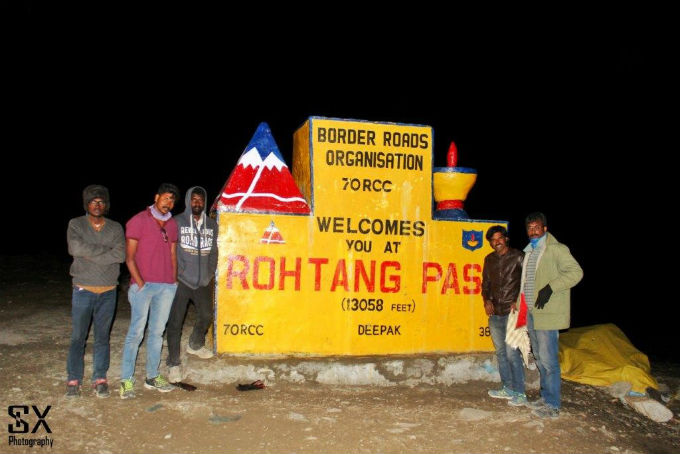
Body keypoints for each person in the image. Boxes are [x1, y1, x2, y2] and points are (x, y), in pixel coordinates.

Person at [119, 183, 180, 399]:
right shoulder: (138, 221)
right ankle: (126, 380)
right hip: (143, 286)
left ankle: (152, 376)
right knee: (136, 333)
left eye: (172, 200)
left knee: (156, 333)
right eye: (165, 198)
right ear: (156, 197)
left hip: (166, 287)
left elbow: (173, 254)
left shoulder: (172, 224)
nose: (168, 203)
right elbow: (129, 257)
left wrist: (173, 281)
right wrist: (140, 283)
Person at [520, 212, 583, 419]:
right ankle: (545, 397)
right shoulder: (529, 251)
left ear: (545, 229)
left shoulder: (557, 249)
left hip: (548, 314)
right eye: (530, 228)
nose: (533, 231)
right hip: (531, 312)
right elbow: (527, 281)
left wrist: (551, 287)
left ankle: (553, 405)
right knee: (539, 357)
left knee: (548, 360)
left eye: (537, 227)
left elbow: (576, 272)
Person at [65, 185, 125, 398]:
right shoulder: (76, 224)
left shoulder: (116, 227)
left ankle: (100, 377)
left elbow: (120, 254)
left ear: (106, 204)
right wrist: (104, 252)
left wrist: (91, 254)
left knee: (102, 337)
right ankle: (74, 378)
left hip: (108, 290)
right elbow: (75, 248)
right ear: (86, 204)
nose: (97, 205)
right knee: (78, 337)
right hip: (83, 289)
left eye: (101, 201)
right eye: (93, 201)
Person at [165, 186, 218, 383]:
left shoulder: (212, 225)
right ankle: (173, 364)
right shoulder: (176, 222)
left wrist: (209, 273)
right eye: (194, 199)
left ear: (204, 202)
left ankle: (195, 344)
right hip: (181, 281)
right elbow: (169, 250)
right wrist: (176, 274)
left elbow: (213, 251)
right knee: (175, 322)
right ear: (188, 201)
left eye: (200, 200)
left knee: (206, 314)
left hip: (202, 280)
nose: (197, 203)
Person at [482, 225, 526, 406]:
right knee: (500, 353)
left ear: (506, 238)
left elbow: (527, 282)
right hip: (495, 314)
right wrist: (487, 300)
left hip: (512, 313)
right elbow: (485, 283)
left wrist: (518, 300)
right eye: (493, 240)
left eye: (499, 238)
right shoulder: (489, 259)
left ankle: (520, 393)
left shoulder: (518, 256)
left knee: (511, 353)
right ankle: (507, 388)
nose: (496, 242)